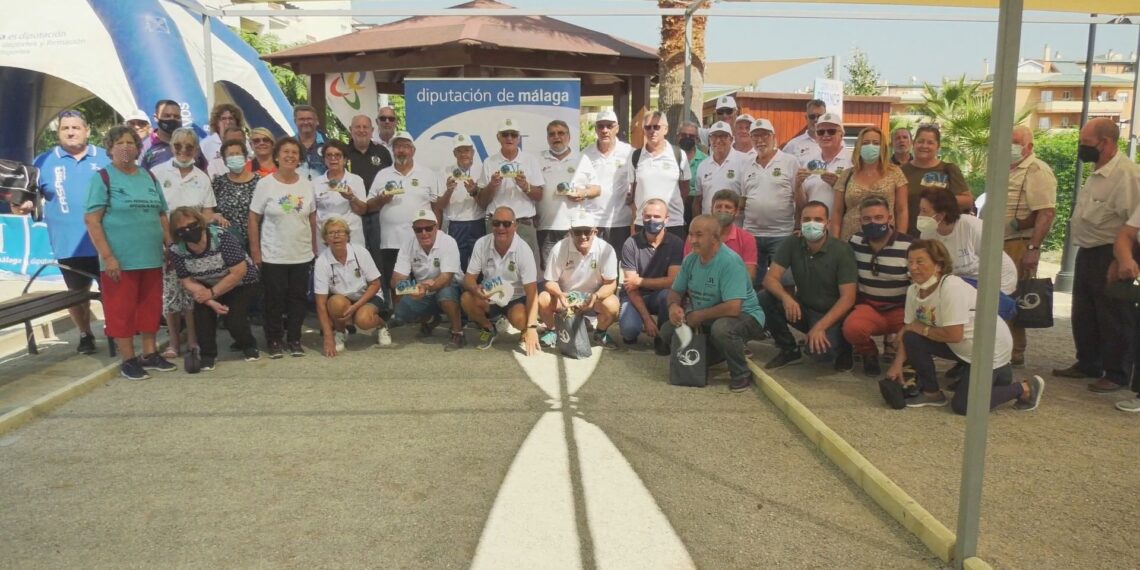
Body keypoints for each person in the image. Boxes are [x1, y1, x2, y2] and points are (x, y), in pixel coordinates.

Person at [885, 239, 1045, 413]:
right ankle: (932, 393)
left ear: (938, 265)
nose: (913, 267)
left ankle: (1024, 388)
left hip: (988, 350)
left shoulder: (951, 287)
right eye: (910, 262)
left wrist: (921, 328)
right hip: (964, 346)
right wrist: (897, 363)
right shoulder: (913, 290)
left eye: (920, 262)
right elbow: (909, 329)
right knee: (911, 337)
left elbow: (954, 335)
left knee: (963, 406)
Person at [1054, 118, 1140, 394]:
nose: (1081, 148)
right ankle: (1088, 362)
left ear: (1106, 143)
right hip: (1089, 250)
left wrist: (1121, 259)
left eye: (1085, 143)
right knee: (1084, 311)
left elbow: (1131, 225)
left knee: (1113, 314)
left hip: (1110, 253)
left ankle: (1116, 372)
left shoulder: (1127, 175)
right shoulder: (1098, 170)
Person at [84, 125, 175, 380]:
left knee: (150, 308)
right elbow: (92, 221)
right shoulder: (102, 178)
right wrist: (108, 256)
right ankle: (128, 359)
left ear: (138, 147)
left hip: (150, 257)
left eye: (131, 143)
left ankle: (149, 354)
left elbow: (161, 213)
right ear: (110, 148)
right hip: (120, 260)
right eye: (120, 143)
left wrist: (169, 245)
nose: (126, 147)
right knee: (121, 311)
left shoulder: (148, 176)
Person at [21, 110, 111, 355]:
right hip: (68, 245)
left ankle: (117, 331)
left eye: (76, 127)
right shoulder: (43, 161)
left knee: (113, 290)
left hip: (106, 242)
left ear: (87, 130)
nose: (71, 132)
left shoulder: (104, 157)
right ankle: (85, 334)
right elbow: (27, 198)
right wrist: (25, 205)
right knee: (76, 296)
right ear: (58, 132)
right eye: (65, 128)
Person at [659, 215, 767, 392]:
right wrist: (673, 307)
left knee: (722, 329)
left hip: (746, 316)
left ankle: (740, 374)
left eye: (699, 235)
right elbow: (675, 291)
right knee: (667, 331)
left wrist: (698, 315)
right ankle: (723, 351)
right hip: (707, 316)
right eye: (691, 234)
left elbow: (734, 307)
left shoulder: (730, 262)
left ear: (715, 238)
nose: (693, 240)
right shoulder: (690, 259)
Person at [760, 201, 857, 371]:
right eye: (807, 219)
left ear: (827, 223)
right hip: (804, 308)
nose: (812, 224)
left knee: (822, 355)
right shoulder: (793, 242)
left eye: (818, 219)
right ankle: (788, 348)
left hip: (832, 314)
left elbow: (848, 298)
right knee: (765, 297)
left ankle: (843, 347)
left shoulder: (842, 251)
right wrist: (786, 299)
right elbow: (770, 279)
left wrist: (820, 327)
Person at [152, 128, 220, 360]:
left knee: (191, 294)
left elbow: (208, 212)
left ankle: (192, 340)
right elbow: (155, 211)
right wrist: (167, 241)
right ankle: (173, 342)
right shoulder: (157, 173)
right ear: (171, 146)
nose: (183, 151)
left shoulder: (202, 177)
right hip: (165, 243)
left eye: (189, 147)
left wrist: (203, 236)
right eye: (178, 145)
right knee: (170, 295)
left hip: (193, 245)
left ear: (196, 149)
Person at [248, 136, 318, 358]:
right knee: (273, 300)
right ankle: (274, 340)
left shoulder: (306, 185)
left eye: (294, 153)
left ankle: (295, 338)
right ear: (277, 156)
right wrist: (256, 251)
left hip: (301, 253)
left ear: (299, 158)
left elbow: (313, 218)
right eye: (285, 152)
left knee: (298, 299)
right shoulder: (265, 184)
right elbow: (253, 218)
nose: (290, 156)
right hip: (273, 255)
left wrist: (314, 248)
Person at [168, 206, 261, 368]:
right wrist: (209, 300)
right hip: (204, 284)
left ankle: (248, 344)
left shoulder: (221, 237)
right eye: (182, 229)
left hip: (240, 282)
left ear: (201, 223)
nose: (189, 231)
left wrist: (212, 293)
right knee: (202, 317)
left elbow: (239, 271)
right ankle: (207, 355)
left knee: (234, 319)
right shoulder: (177, 250)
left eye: (192, 226)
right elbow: (187, 281)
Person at [1001, 125, 1057, 368]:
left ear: (1029, 146)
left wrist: (1033, 249)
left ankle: (1014, 352)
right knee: (1000, 297)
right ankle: (1002, 346)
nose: (1011, 147)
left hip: (1019, 244)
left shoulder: (1037, 170)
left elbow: (1046, 212)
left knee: (1015, 298)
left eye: (1015, 142)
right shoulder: (1007, 168)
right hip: (1000, 243)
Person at [841, 197, 914, 377]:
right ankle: (868, 353)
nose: (873, 222)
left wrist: (911, 323)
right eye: (867, 219)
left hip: (901, 309)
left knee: (915, 337)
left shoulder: (909, 245)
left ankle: (908, 360)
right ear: (860, 221)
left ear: (889, 218)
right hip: (869, 307)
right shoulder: (855, 241)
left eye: (878, 217)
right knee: (852, 328)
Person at [367, 130, 440, 306]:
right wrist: (381, 199)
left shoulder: (428, 174)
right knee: (397, 283)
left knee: (423, 280)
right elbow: (369, 205)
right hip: (391, 240)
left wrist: (437, 234)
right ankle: (400, 315)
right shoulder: (382, 175)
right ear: (393, 150)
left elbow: (437, 206)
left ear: (413, 150)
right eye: (398, 146)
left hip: (421, 239)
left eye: (406, 146)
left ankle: (424, 316)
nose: (401, 150)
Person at [460, 206, 541, 355]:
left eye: (506, 224)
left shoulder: (524, 250)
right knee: (466, 298)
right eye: (496, 223)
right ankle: (489, 328)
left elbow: (532, 293)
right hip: (490, 297)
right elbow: (468, 279)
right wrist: (475, 289)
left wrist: (531, 328)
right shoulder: (481, 244)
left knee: (521, 320)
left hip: (515, 298)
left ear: (515, 226)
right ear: (491, 224)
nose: (501, 228)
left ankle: (522, 329)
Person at [537, 210, 620, 349]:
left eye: (587, 232)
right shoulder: (559, 249)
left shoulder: (606, 249)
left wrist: (596, 296)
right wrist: (560, 295)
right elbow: (550, 281)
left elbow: (611, 284)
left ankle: (600, 332)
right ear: (570, 232)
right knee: (543, 299)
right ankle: (553, 331)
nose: (583, 236)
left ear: (595, 232)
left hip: (593, 299)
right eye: (578, 232)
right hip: (566, 298)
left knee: (613, 304)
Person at [916, 188, 1018, 296]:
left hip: (996, 283)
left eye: (924, 211)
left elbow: (995, 261)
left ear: (941, 215)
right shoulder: (927, 235)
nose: (919, 215)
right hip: (959, 287)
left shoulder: (971, 226)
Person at [737, 118, 800, 287]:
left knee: (784, 281)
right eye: (755, 136)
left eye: (764, 135)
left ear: (773, 136)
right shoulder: (746, 164)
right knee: (752, 281)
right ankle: (756, 312)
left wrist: (798, 225)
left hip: (782, 233)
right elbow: (744, 197)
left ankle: (782, 313)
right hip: (751, 233)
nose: (760, 140)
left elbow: (798, 196)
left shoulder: (790, 161)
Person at [390, 209, 464, 351]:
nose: (424, 233)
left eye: (428, 228)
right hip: (424, 289)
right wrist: (408, 288)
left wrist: (426, 287)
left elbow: (447, 277)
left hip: (452, 287)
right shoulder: (407, 244)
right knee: (402, 313)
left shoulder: (448, 242)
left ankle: (458, 333)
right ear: (413, 230)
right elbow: (395, 280)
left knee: (446, 294)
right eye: (419, 229)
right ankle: (430, 319)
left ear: (436, 227)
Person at [313, 217, 388, 357]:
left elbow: (375, 284)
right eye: (331, 233)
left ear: (347, 236)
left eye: (340, 232)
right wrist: (328, 337)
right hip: (344, 299)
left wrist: (355, 307)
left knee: (363, 320)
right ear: (325, 239)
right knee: (335, 303)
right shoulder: (321, 261)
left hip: (368, 295)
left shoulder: (360, 252)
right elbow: (320, 303)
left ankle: (382, 326)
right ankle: (340, 332)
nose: (336, 236)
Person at [477, 118, 545, 268]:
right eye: (505, 134)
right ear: (498, 137)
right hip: (497, 226)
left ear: (519, 138)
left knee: (529, 270)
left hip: (524, 224)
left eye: (513, 134)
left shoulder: (530, 160)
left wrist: (526, 186)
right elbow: (481, 202)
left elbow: (539, 195)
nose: (509, 138)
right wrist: (492, 186)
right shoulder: (489, 162)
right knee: (495, 269)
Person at [620, 198, 684, 347]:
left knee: (668, 294)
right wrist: (647, 320)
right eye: (648, 216)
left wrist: (641, 281)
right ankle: (637, 328)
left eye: (657, 216)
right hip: (634, 296)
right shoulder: (631, 243)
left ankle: (662, 335)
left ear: (666, 219)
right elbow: (631, 287)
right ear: (642, 217)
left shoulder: (676, 243)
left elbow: (673, 281)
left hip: (659, 296)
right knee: (629, 330)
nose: (652, 220)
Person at [537, 120, 599, 268]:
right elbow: (533, 189)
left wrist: (583, 192)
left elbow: (597, 189)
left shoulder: (582, 159)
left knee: (574, 270)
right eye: (552, 134)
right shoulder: (538, 159)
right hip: (546, 228)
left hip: (575, 228)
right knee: (549, 271)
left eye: (561, 133)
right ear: (547, 138)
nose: (556, 137)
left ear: (569, 137)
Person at [830, 126, 909, 240]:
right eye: (866, 143)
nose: (870, 146)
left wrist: (901, 239)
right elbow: (837, 212)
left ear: (882, 147)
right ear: (858, 146)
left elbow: (902, 210)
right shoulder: (846, 175)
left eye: (876, 143)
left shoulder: (895, 173)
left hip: (885, 240)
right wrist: (836, 242)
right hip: (850, 240)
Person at [624, 110, 690, 238]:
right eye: (648, 127)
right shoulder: (635, 156)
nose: (652, 131)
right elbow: (633, 191)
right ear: (643, 130)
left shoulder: (679, 154)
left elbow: (685, 189)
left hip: (673, 223)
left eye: (657, 127)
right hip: (643, 223)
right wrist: (634, 222)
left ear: (665, 129)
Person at [901, 124, 973, 236]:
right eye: (921, 141)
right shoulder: (901, 171)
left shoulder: (948, 169)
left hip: (943, 235)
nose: (924, 146)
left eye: (930, 142)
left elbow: (967, 201)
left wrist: (938, 200)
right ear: (913, 144)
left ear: (938, 147)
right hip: (910, 235)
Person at [345, 113, 394, 270]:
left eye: (365, 127)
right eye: (357, 127)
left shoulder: (382, 153)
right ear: (350, 130)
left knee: (379, 258)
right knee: (355, 257)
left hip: (377, 214)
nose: (361, 130)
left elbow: (390, 179)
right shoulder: (343, 153)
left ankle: (382, 293)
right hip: (351, 213)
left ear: (372, 130)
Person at [582, 110, 634, 254]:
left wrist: (632, 193)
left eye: (609, 126)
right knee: (592, 267)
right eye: (600, 126)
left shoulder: (629, 152)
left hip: (620, 222)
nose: (605, 130)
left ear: (617, 128)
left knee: (615, 268)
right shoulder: (585, 155)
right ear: (596, 129)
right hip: (592, 221)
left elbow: (637, 181)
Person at [683, 190, 758, 281]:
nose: (723, 210)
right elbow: (687, 270)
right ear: (712, 210)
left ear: (736, 212)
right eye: (718, 206)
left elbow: (749, 275)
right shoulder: (694, 236)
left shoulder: (747, 238)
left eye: (728, 207)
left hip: (733, 289)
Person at [438, 134, 485, 272]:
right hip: (456, 224)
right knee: (458, 265)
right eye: (460, 150)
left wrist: (475, 191)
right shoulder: (445, 171)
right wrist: (448, 191)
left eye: (467, 150)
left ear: (473, 152)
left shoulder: (482, 169)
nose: (464, 154)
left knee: (480, 266)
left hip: (478, 221)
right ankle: (459, 293)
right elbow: (439, 206)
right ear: (454, 153)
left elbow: (487, 201)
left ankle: (478, 292)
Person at [314, 139, 368, 251]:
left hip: (352, 241)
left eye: (338, 155)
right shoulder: (315, 183)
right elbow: (312, 214)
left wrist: (351, 198)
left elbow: (363, 210)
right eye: (329, 155)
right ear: (324, 160)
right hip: (325, 243)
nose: (333, 158)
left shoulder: (356, 180)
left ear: (345, 160)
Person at [794, 112, 851, 215]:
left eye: (831, 131)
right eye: (820, 132)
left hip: (840, 225)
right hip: (813, 225)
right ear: (816, 136)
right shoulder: (809, 162)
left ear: (841, 135)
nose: (825, 135)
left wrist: (838, 186)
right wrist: (797, 186)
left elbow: (858, 198)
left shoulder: (852, 161)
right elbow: (803, 205)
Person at [211, 139, 260, 249]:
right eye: (230, 155)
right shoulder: (218, 183)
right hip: (230, 244)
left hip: (259, 242)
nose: (234, 157)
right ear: (224, 160)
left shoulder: (260, 182)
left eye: (238, 154)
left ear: (245, 156)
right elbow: (210, 211)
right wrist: (217, 217)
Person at [141, 99, 205, 171]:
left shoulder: (190, 142)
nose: (172, 119)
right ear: (156, 118)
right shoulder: (144, 146)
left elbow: (203, 169)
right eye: (167, 116)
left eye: (177, 117)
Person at [694, 121, 741, 216]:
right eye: (714, 136)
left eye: (723, 136)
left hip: (735, 227)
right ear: (709, 139)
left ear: (731, 139)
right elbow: (698, 200)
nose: (718, 140)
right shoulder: (703, 165)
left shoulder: (744, 162)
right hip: (709, 227)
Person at [201, 103, 244, 169]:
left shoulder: (244, 142)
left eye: (231, 118)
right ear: (216, 122)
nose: (228, 122)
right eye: (223, 119)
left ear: (236, 122)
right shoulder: (206, 144)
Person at [293, 104, 326, 180]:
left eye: (309, 119)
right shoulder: (287, 146)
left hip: (322, 190)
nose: (305, 122)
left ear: (317, 121)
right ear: (295, 121)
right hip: (295, 190)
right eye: (301, 119)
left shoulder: (328, 145)